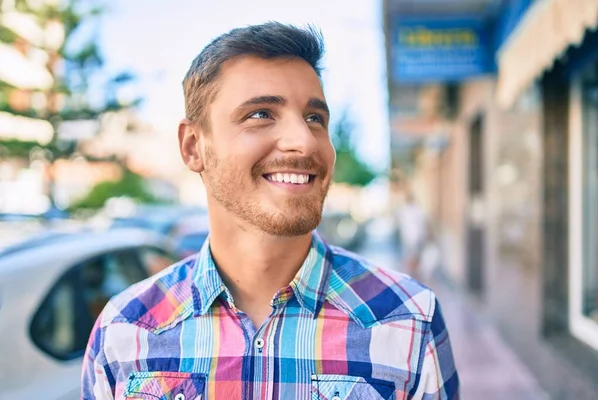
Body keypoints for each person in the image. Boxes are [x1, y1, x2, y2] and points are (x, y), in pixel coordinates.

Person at [82, 22, 459, 399]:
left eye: (315, 118)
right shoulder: (124, 331)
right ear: (193, 146)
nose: (303, 141)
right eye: (261, 114)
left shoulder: (409, 320)